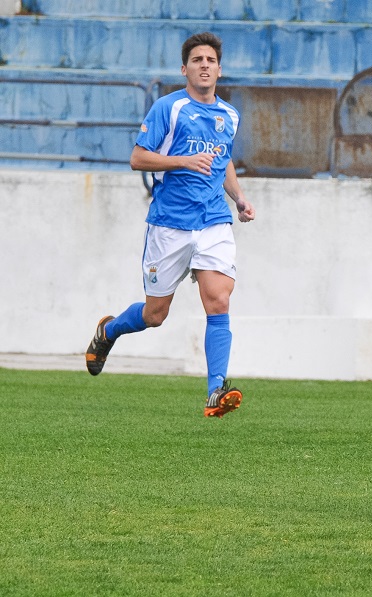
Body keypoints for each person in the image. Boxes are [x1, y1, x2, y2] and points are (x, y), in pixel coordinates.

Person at [85, 31, 256, 418]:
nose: (204, 66)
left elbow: (223, 161)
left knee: (219, 300)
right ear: (185, 69)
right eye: (197, 60)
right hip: (170, 224)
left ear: (219, 69)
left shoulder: (229, 116)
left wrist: (239, 198)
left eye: (210, 60)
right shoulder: (169, 108)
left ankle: (215, 391)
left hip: (213, 220)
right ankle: (109, 331)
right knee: (155, 315)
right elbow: (137, 158)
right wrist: (182, 161)